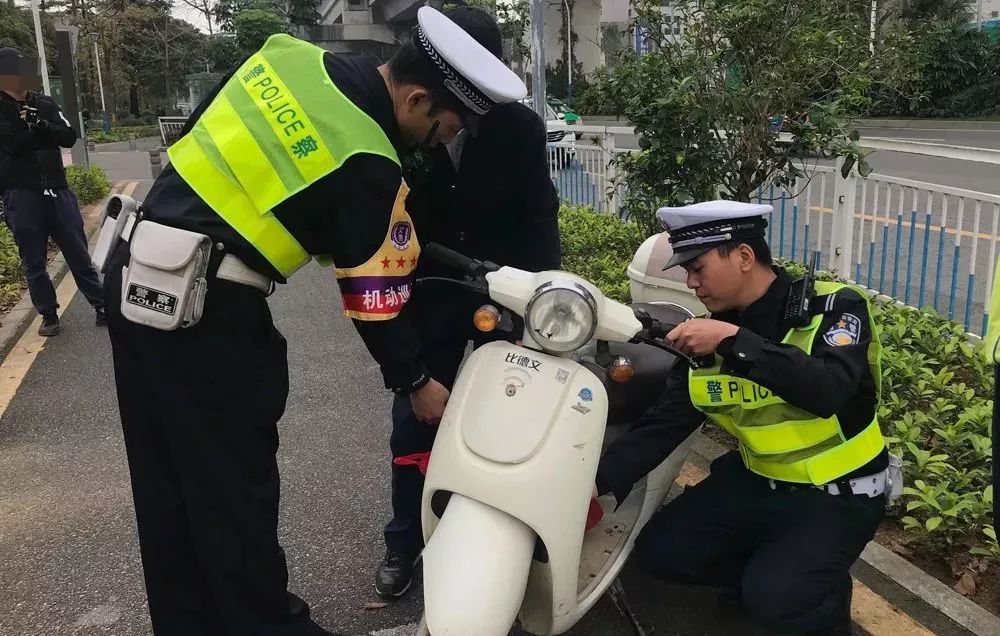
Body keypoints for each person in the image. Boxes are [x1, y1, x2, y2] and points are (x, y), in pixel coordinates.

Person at [102, 8, 526, 635]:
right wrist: (417, 382)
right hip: (208, 314)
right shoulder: (369, 158)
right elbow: (373, 298)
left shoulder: (283, 57)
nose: (439, 141)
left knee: (167, 486)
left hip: (136, 274)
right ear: (415, 98)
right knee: (233, 492)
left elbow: (200, 142)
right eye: (444, 127)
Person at [595, 201, 888, 635]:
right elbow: (663, 426)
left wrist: (736, 341)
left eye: (698, 268)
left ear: (745, 257)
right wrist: (592, 488)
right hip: (757, 483)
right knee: (661, 552)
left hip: (838, 494)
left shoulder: (834, 308)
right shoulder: (709, 338)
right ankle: (774, 574)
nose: (691, 284)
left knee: (779, 597)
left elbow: (826, 391)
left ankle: (813, 594)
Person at [373, 5, 562, 600]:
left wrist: (540, 298)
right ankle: (405, 540)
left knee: (506, 413)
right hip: (426, 293)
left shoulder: (519, 128)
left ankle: (491, 533)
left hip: (501, 294)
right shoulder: (392, 121)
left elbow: (540, 216)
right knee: (417, 414)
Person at [0, 47, 105, 336]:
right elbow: (13, 145)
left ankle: (101, 304)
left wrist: (41, 124)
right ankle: (48, 314)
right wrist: (35, 130)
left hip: (57, 190)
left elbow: (68, 136)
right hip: (20, 194)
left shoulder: (45, 103)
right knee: (33, 259)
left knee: (78, 251)